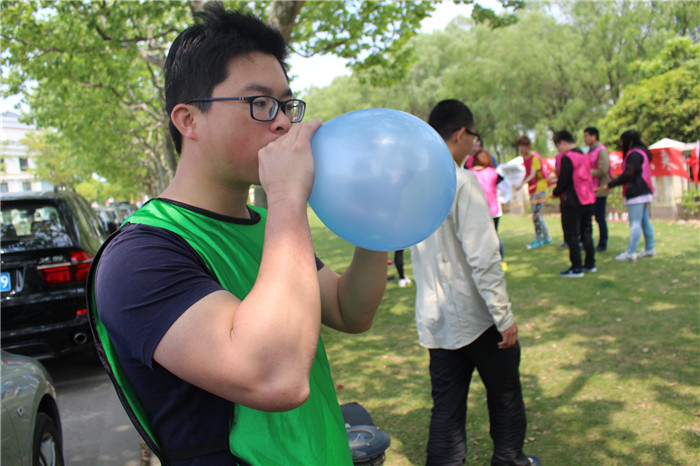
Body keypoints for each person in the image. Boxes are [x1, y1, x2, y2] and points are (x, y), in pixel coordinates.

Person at [87, 7, 387, 466]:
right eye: (260, 103)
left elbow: (351, 310)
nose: (284, 122)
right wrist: (287, 197)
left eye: (287, 104)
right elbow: (275, 378)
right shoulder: (140, 255)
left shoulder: (268, 229)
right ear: (188, 120)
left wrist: (377, 224)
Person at [410, 99, 539, 466]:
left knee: (446, 408)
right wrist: (504, 315)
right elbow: (483, 257)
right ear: (461, 134)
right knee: (505, 394)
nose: (474, 146)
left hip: (436, 316)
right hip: (477, 315)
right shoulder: (460, 182)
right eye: (473, 138)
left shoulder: (415, 185)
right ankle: (509, 459)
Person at [551, 130, 596, 278]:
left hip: (573, 201)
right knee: (586, 233)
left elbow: (564, 180)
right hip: (587, 199)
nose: (559, 150)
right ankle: (590, 264)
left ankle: (576, 268)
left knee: (571, 235)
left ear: (562, 142)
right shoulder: (585, 156)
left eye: (558, 146)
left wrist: (555, 192)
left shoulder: (567, 158)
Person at [607, 130, 656, 262]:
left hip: (636, 192)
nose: (622, 144)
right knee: (645, 221)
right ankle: (649, 248)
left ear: (630, 141)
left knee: (635, 223)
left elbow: (629, 174)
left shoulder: (634, 154)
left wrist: (612, 183)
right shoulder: (641, 152)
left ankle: (631, 252)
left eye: (623, 141)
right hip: (643, 190)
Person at [513, 135, 552, 249]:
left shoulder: (535, 157)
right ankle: (547, 237)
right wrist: (522, 182)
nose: (520, 149)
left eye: (522, 147)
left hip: (539, 188)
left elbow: (532, 175)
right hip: (532, 189)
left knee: (536, 215)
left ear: (527, 146)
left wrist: (521, 184)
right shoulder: (525, 158)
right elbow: (527, 173)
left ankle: (539, 239)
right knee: (538, 215)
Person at [468, 148, 506, 264]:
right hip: (494, 210)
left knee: (479, 237)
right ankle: (501, 260)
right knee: (494, 236)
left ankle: (484, 259)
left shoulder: (470, 174)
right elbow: (503, 182)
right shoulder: (493, 173)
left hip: (479, 210)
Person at [583, 127, 611, 252]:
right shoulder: (590, 151)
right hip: (590, 189)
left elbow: (603, 170)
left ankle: (602, 243)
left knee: (600, 218)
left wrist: (586, 173)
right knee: (588, 217)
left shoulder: (601, 150)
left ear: (594, 136)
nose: (585, 139)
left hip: (599, 189)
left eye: (587, 136)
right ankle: (587, 242)